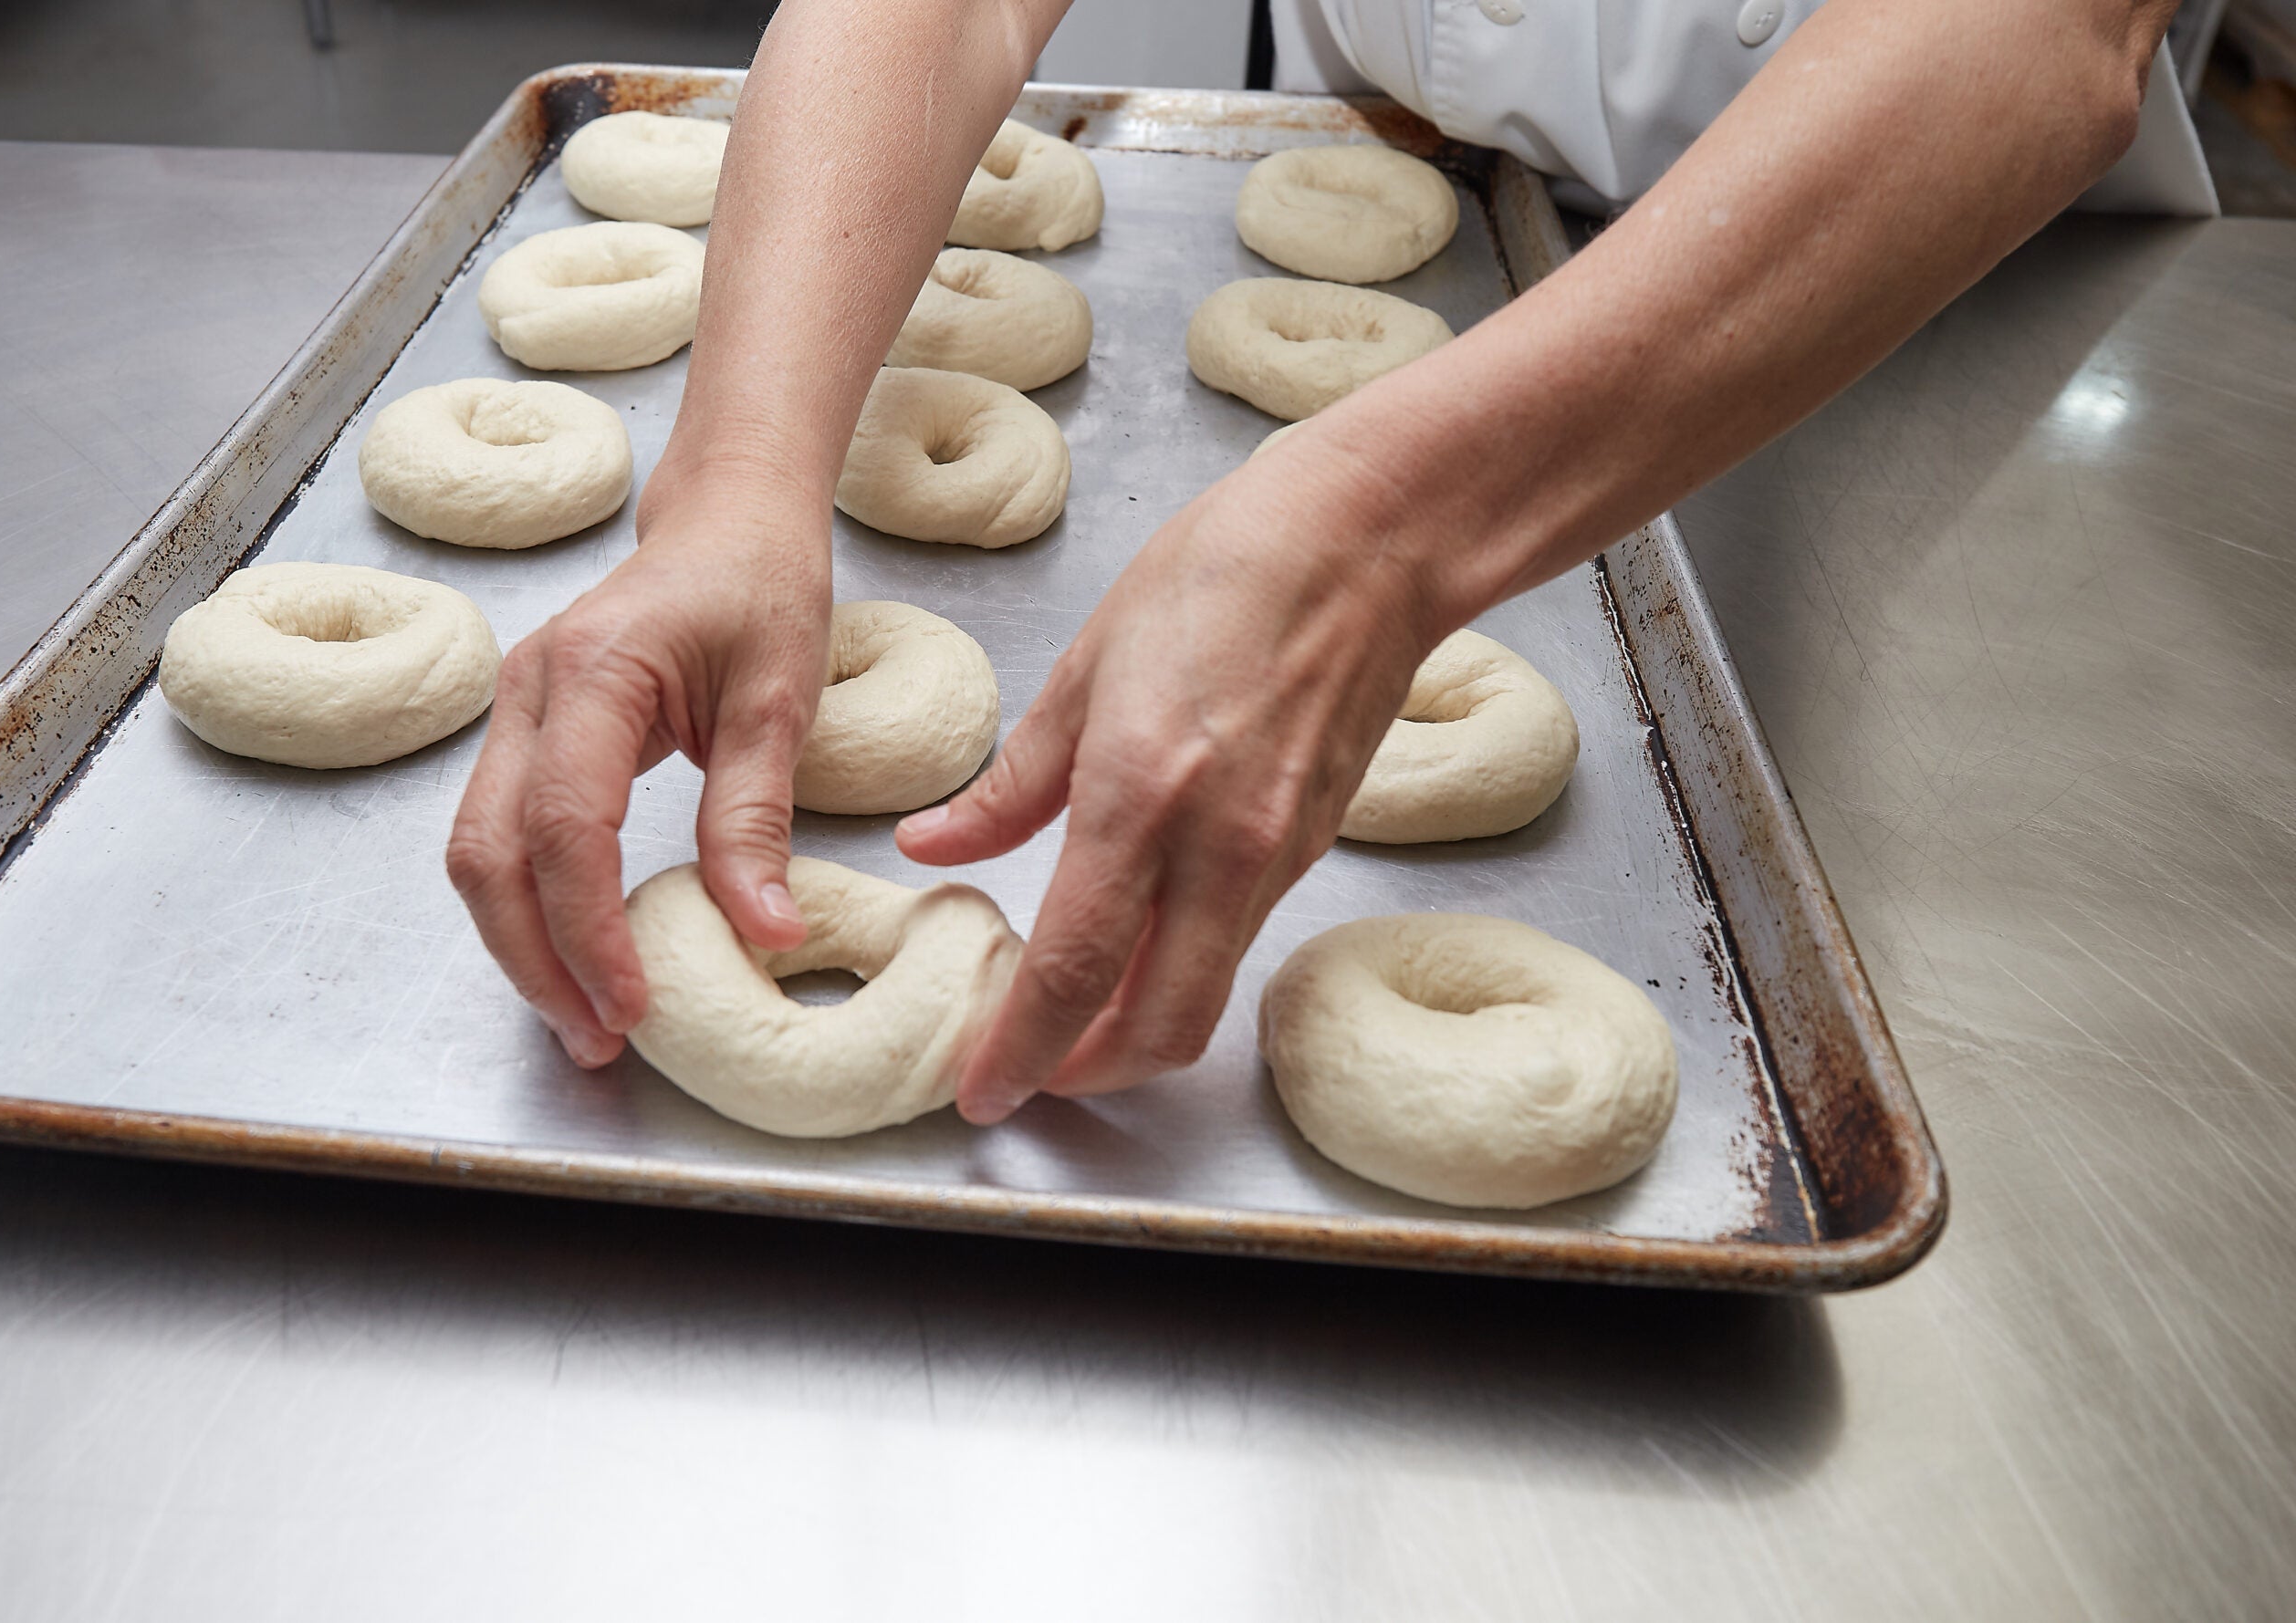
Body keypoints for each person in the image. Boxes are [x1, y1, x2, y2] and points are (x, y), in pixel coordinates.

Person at [445, 0, 2207, 1125]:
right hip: (1404, 169)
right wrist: (743, 471)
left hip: (1932, 356)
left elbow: (2038, 33)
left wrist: (1377, 519)